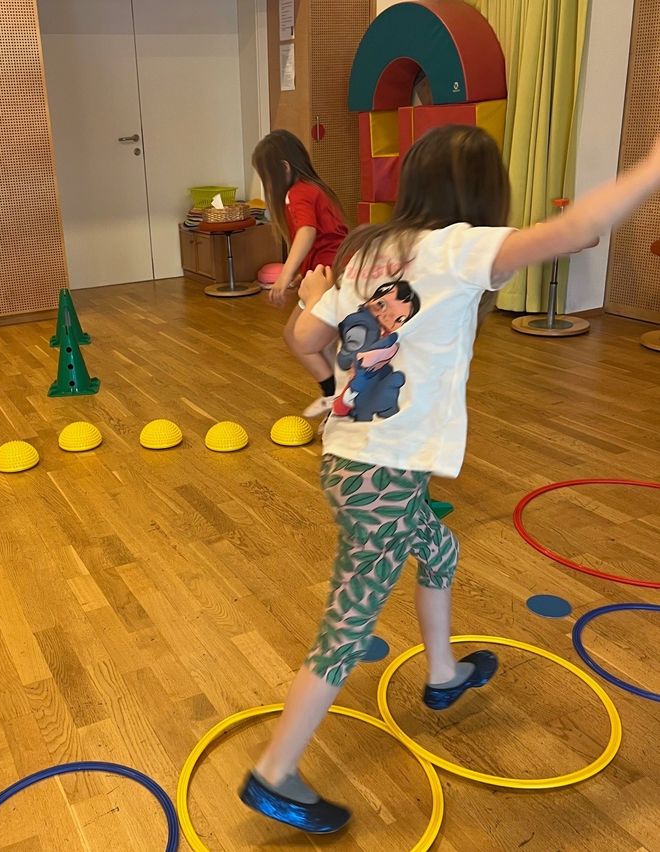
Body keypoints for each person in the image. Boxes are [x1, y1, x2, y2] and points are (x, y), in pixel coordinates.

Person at [240, 123, 660, 834]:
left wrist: (332, 385)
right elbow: (580, 228)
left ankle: (443, 678)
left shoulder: (371, 247)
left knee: (439, 549)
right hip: (384, 477)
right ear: (482, 192)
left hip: (351, 462)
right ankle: (273, 773)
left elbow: (305, 339)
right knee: (345, 631)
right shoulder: (461, 248)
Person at [252, 129, 348, 420]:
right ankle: (341, 399)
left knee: (296, 337)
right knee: (320, 343)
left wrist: (284, 275)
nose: (268, 185)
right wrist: (299, 275)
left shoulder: (298, 193)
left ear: (283, 168)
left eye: (267, 177)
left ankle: (335, 400)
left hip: (328, 277)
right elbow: (323, 239)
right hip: (332, 274)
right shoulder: (313, 189)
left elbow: (307, 232)